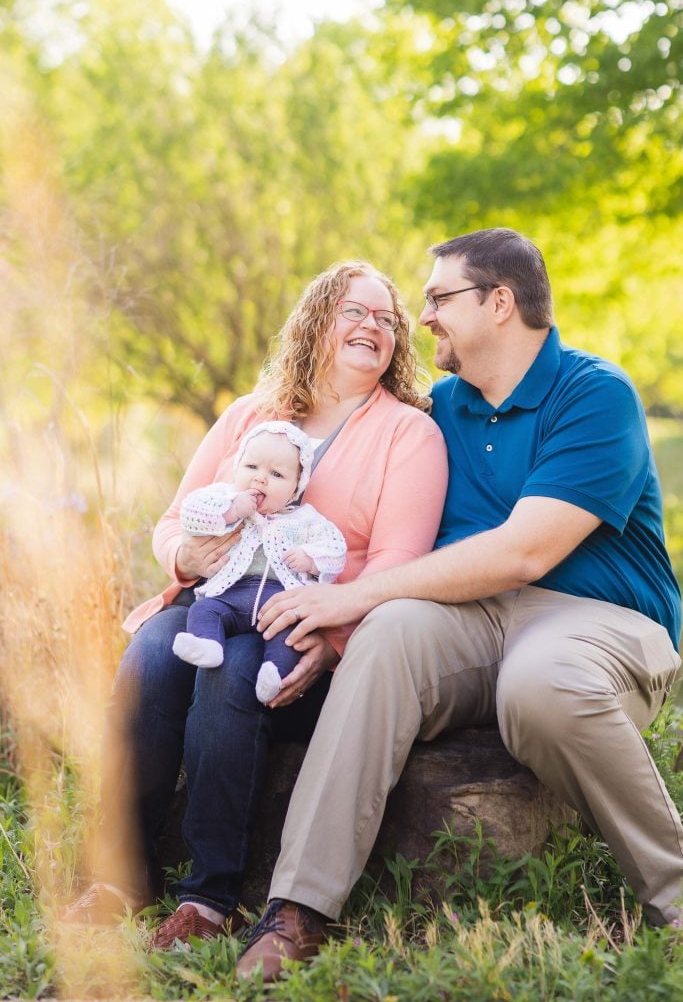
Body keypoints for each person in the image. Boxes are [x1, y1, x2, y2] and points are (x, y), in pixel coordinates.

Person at [237, 228, 683, 982]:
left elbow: (523, 552)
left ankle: (673, 897)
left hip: (598, 618)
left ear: (499, 302)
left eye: (439, 297)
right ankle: (299, 909)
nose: (425, 317)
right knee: (385, 635)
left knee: (540, 687)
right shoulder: (440, 407)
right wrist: (329, 613)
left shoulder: (592, 393)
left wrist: (353, 593)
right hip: (470, 616)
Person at [62, 260, 448, 949]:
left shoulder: (408, 434)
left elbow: (398, 565)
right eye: (354, 311)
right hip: (217, 598)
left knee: (235, 665)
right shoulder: (251, 414)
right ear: (316, 321)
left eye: (386, 319)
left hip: (310, 645)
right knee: (153, 647)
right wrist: (185, 557)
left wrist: (330, 639)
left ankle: (209, 899)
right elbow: (174, 522)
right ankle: (122, 873)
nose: (373, 326)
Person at [173, 420, 347, 704]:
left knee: (289, 633)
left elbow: (335, 549)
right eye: (251, 467)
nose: (260, 479)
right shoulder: (222, 498)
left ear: (295, 487)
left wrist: (311, 559)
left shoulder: (303, 519)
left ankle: (273, 672)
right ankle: (207, 645)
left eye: (276, 474)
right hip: (230, 595)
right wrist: (230, 511)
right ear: (238, 468)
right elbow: (191, 513)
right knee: (203, 610)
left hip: (278, 600)